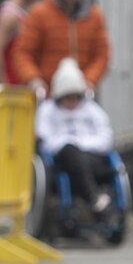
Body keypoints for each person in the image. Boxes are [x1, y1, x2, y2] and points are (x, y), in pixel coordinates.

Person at [11, 0, 110, 99]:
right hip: (48, 94)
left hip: (81, 95)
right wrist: (33, 79)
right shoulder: (39, 13)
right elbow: (23, 52)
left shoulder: (94, 15)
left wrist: (90, 80)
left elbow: (102, 54)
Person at [35, 58, 117, 221]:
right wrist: (70, 143)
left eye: (76, 97)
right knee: (70, 150)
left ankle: (94, 198)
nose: (72, 102)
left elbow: (106, 137)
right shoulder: (47, 111)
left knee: (76, 154)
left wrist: (80, 144)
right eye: (68, 97)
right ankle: (94, 197)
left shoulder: (92, 110)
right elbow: (45, 139)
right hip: (62, 158)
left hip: (91, 156)